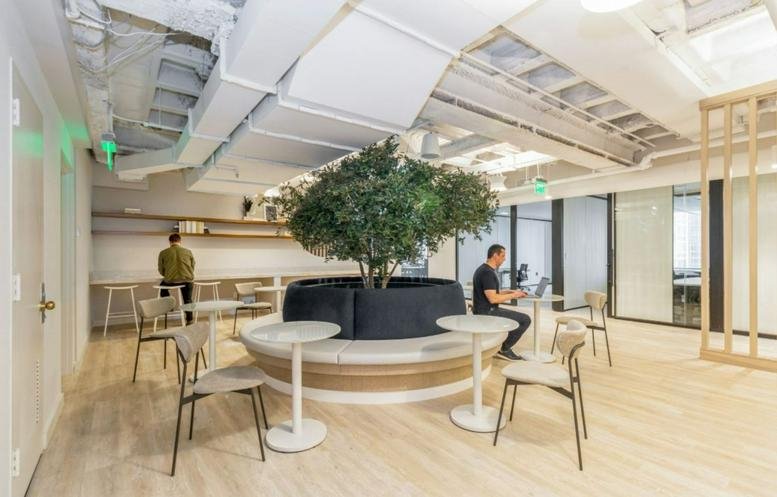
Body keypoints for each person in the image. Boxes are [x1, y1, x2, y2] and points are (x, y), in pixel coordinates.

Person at [472, 243, 532, 361]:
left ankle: (501, 346)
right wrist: (514, 295)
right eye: (503, 256)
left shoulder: (484, 269)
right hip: (487, 312)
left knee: (519, 318)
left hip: (485, 310)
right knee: (525, 320)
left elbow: (493, 292)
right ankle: (504, 349)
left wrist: (511, 291)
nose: (504, 259)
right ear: (495, 255)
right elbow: (493, 298)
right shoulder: (487, 273)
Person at [158, 233, 196, 324]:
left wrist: (168, 275)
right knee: (187, 299)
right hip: (187, 280)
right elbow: (193, 266)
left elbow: (161, 269)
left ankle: (170, 305)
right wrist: (187, 274)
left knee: (162, 289)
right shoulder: (188, 251)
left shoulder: (163, 253)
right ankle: (190, 320)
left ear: (170, 242)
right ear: (180, 241)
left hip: (171, 281)